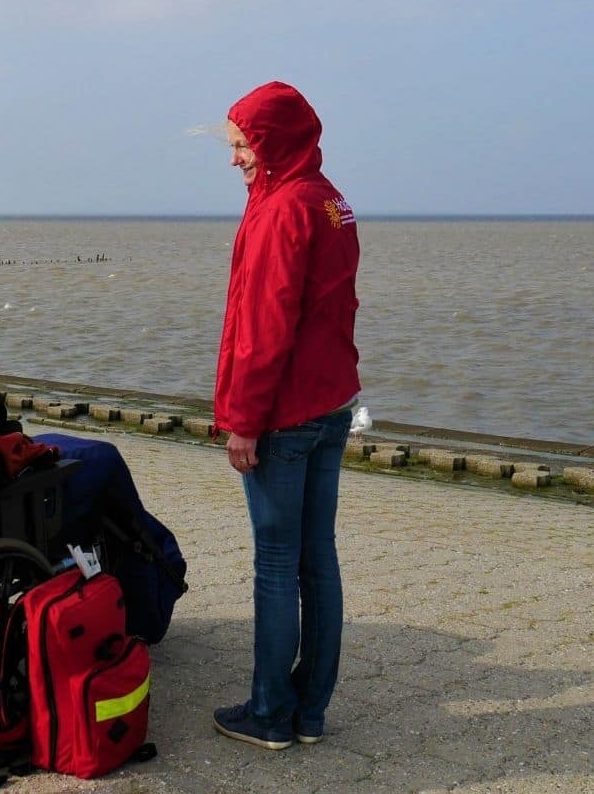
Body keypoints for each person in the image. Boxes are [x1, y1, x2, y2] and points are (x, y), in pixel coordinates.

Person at [211, 81, 360, 752]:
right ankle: (310, 712)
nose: (235, 158)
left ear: (273, 141)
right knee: (317, 557)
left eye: (243, 145)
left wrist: (243, 419)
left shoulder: (283, 211)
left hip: (288, 413)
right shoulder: (330, 201)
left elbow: (264, 328)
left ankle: (271, 713)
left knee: (276, 563)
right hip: (332, 402)